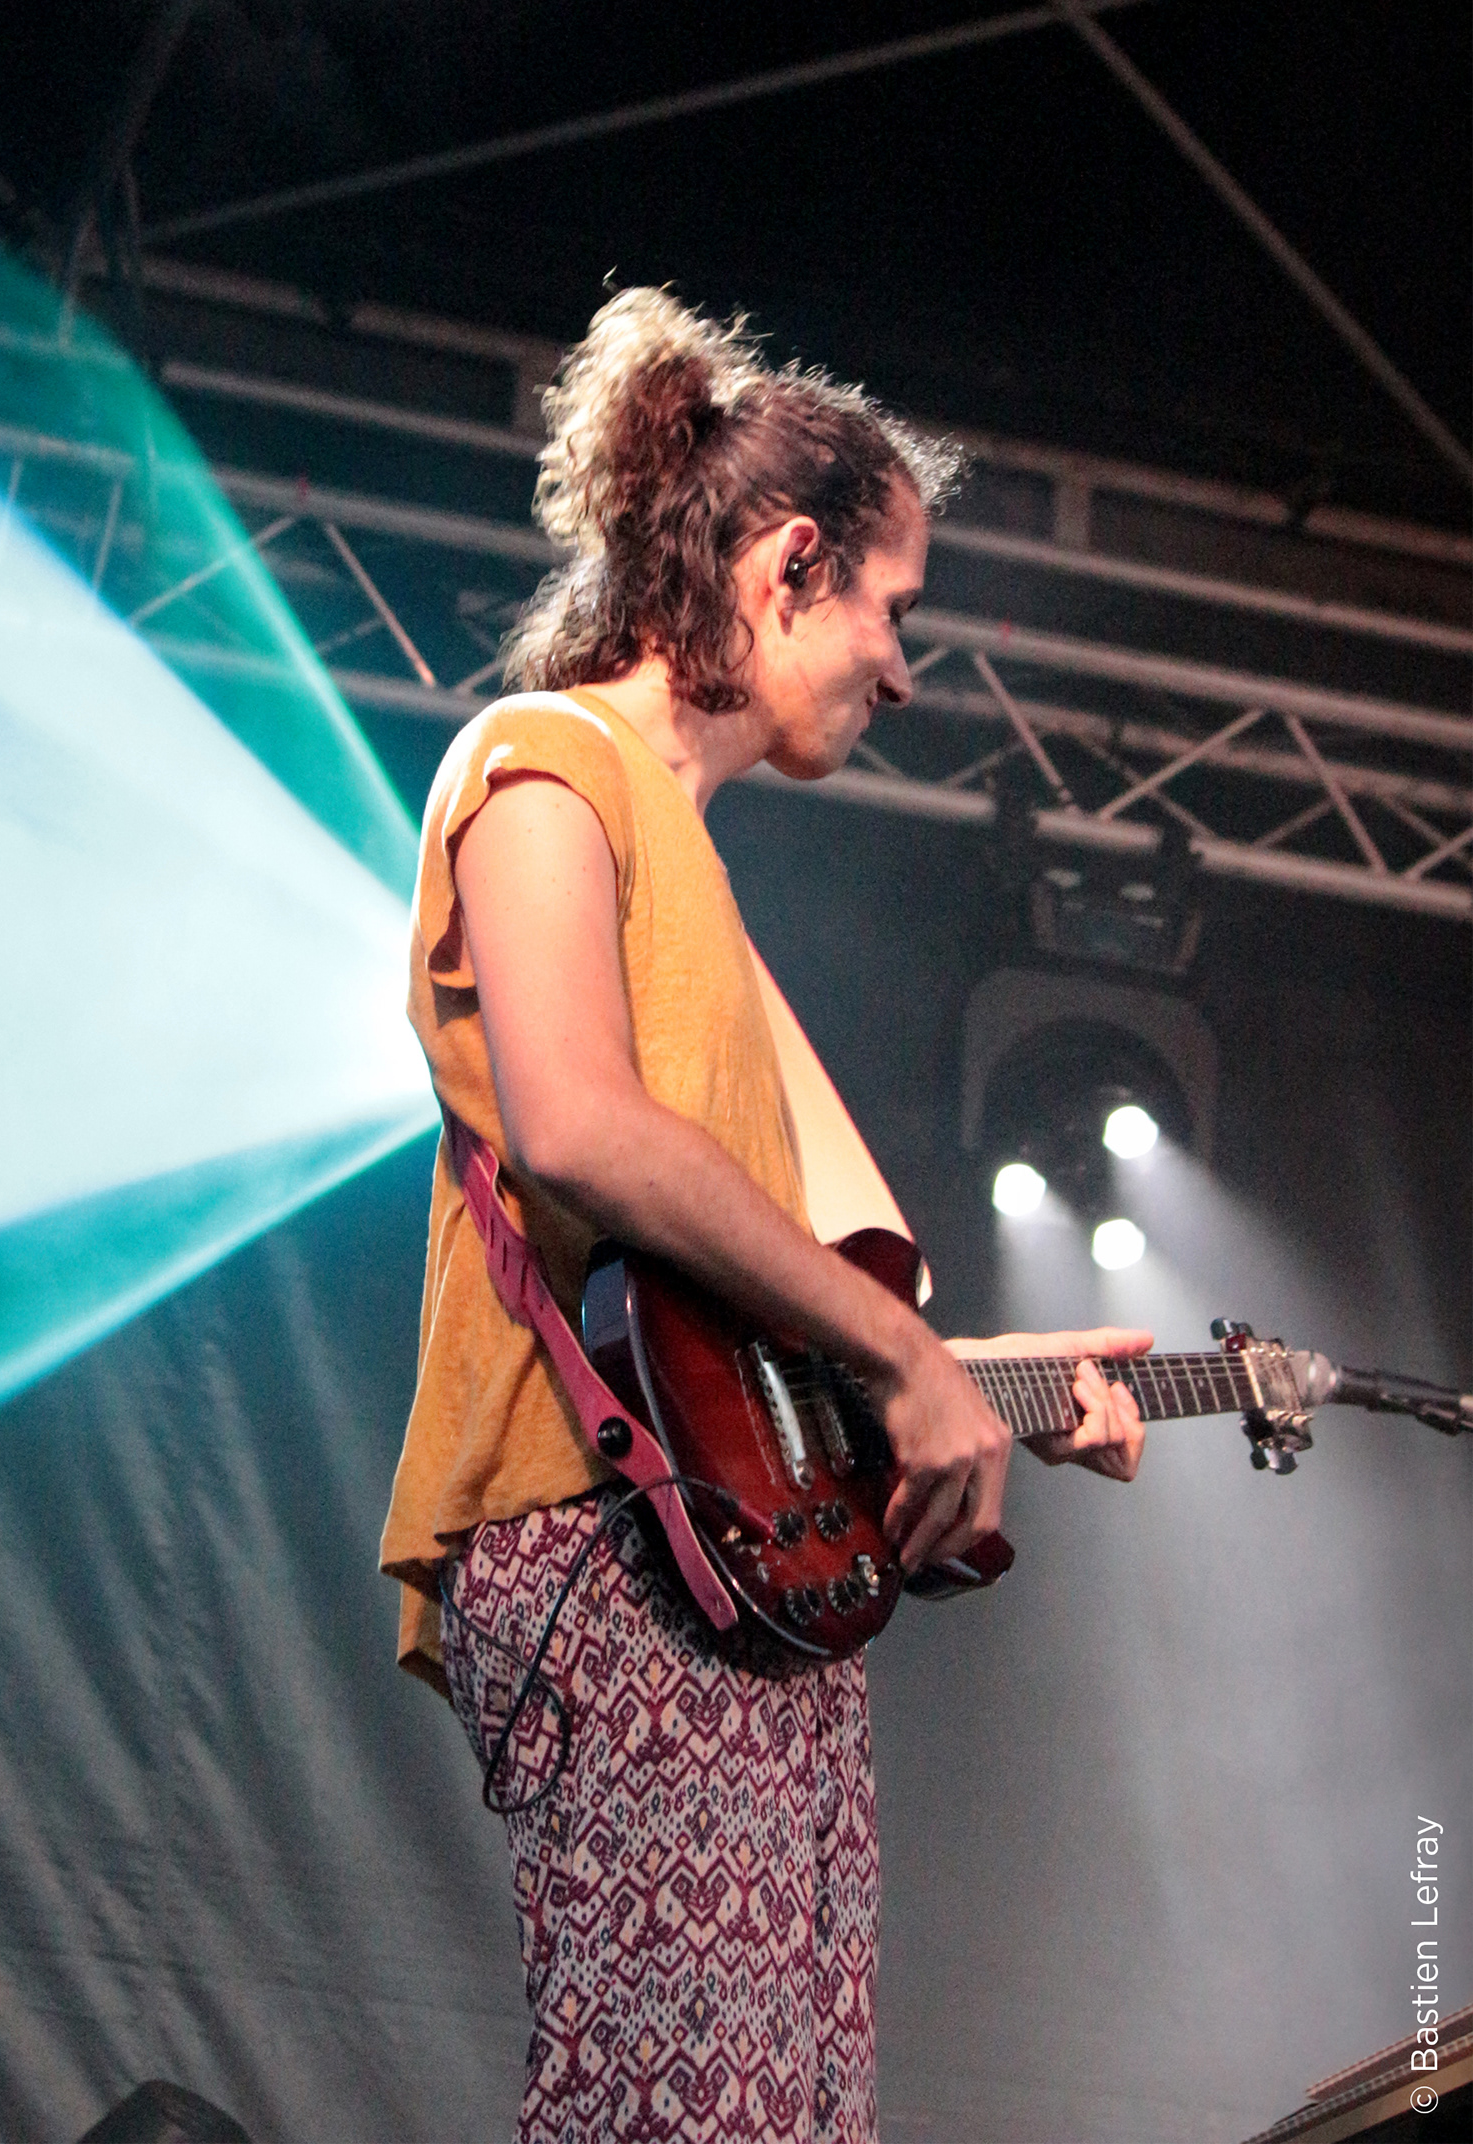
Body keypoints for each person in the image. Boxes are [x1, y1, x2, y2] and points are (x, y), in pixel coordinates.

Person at [379, 289, 1149, 2144]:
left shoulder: (698, 880)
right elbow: (578, 1125)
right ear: (790, 563)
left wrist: (981, 1377)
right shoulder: (541, 763)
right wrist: (906, 1357)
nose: (905, 671)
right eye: (895, 607)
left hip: (731, 1567)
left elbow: (853, 1281)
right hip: (607, 1539)